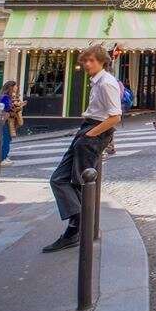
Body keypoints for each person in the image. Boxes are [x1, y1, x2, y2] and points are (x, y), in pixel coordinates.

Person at [44, 45, 122, 253]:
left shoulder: (106, 83)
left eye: (91, 60)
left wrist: (90, 135)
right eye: (85, 60)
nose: (87, 64)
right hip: (88, 129)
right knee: (59, 178)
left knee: (80, 181)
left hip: (93, 131)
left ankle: (76, 230)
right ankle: (79, 224)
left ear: (102, 61)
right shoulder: (98, 81)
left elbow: (115, 117)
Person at [0, 81, 24, 166]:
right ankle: (2, 159)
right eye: (15, 86)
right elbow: (7, 108)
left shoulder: (7, 97)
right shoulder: (5, 97)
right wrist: (17, 107)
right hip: (5, 121)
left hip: (6, 120)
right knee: (6, 139)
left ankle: (5, 157)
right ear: (10, 87)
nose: (17, 88)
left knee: (8, 139)